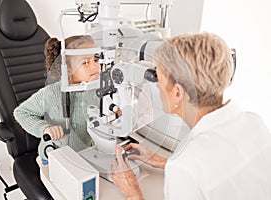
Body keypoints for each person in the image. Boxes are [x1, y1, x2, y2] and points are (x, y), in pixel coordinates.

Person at [111, 32, 271, 199]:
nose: (156, 85)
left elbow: (196, 169)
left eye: (158, 77)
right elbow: (228, 173)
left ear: (178, 93)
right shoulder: (254, 122)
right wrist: (165, 163)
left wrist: (132, 192)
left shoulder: (186, 165)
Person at [13, 35, 101, 166]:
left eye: (96, 59)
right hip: (54, 157)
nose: (95, 66)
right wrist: (44, 128)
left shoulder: (97, 89)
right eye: (85, 62)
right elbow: (21, 112)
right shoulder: (51, 93)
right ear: (68, 69)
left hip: (86, 154)